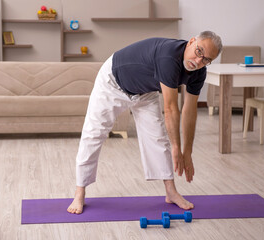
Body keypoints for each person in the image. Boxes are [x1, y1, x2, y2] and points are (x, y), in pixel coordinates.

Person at [67, 31, 222, 214]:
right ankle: (79, 193)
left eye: (206, 60)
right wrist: (176, 147)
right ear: (191, 42)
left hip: (145, 91)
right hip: (112, 82)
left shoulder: (198, 73)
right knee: (93, 134)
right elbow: (171, 108)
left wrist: (187, 152)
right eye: (198, 52)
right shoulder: (169, 56)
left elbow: (190, 110)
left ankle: (170, 192)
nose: (198, 61)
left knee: (157, 137)